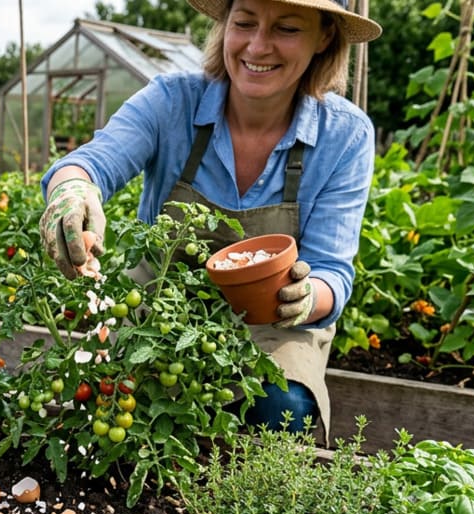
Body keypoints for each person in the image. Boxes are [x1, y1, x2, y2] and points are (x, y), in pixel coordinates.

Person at [39, 0, 381, 439]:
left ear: (325, 37)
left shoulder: (345, 135)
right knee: (116, 404)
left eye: (287, 29)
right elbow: (94, 161)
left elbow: (333, 271)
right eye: (244, 23)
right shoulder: (172, 101)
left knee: (282, 405)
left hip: (268, 328)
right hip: (158, 316)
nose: (258, 46)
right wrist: (73, 189)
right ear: (225, 25)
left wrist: (304, 295)